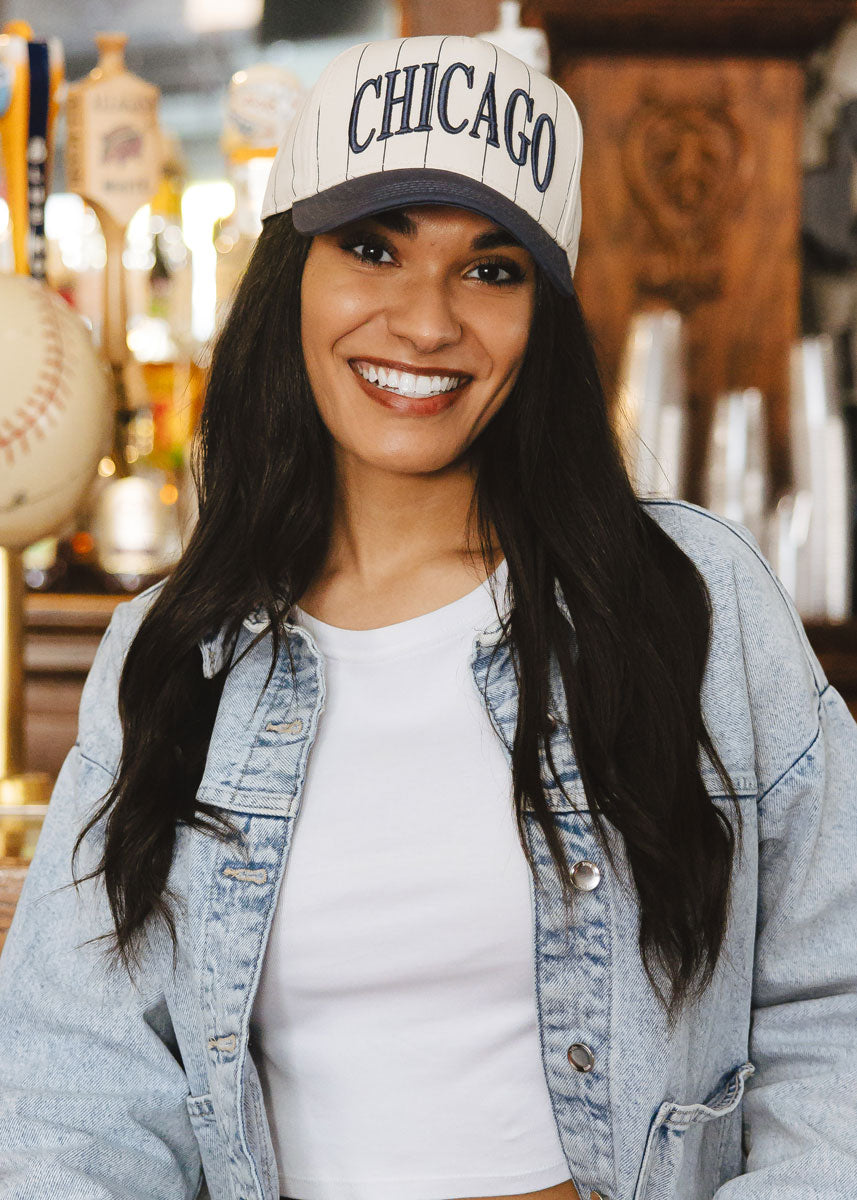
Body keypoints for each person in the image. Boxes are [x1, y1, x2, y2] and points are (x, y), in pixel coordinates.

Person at [1, 31, 856, 1200]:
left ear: (543, 316)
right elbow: (75, 1092)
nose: (424, 322)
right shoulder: (171, 653)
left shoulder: (690, 604)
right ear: (289, 271)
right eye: (371, 247)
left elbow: (835, 1002)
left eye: (490, 268)